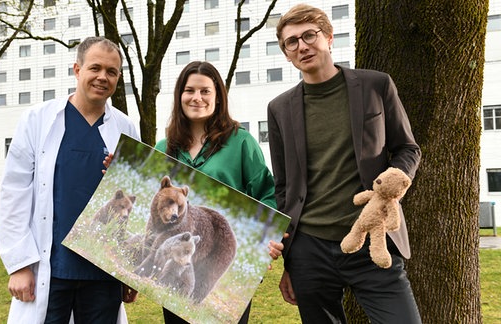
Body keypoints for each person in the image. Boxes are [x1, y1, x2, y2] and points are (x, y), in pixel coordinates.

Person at [266, 4, 422, 323]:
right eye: (291, 42)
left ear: (329, 37)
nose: (302, 46)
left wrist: (395, 181)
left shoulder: (376, 85)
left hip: (373, 240)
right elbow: (283, 188)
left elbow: (407, 148)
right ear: (286, 53)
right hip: (309, 249)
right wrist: (291, 263)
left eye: (309, 35)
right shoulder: (279, 108)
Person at [0, 36, 139, 323]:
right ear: (77, 69)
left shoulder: (126, 128)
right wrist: (19, 264)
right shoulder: (37, 119)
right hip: (50, 266)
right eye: (95, 68)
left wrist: (130, 270)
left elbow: (135, 203)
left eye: (111, 72)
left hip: (103, 271)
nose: (103, 77)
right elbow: (14, 191)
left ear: (118, 78)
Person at [155, 61, 277, 324]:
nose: (196, 98)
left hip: (217, 246)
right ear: (179, 96)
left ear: (218, 97)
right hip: (178, 253)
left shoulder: (241, 142)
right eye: (189, 91)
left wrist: (266, 242)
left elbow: (268, 194)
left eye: (205, 91)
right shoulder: (165, 147)